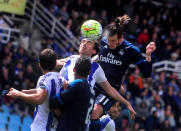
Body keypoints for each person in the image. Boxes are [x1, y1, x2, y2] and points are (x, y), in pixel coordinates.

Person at [91, 14, 156, 130]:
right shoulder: (104, 42)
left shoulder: (131, 50)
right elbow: (100, 57)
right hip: (94, 84)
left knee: (95, 112)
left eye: (113, 41)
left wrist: (148, 55)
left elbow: (146, 74)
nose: (110, 44)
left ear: (121, 38)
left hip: (110, 91)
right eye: (109, 40)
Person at [56, 38, 136, 130]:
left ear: (94, 51)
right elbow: (51, 64)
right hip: (61, 106)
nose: (84, 44)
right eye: (83, 42)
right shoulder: (71, 59)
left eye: (88, 43)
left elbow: (109, 89)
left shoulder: (96, 68)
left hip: (79, 113)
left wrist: (126, 103)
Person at [7, 48, 66, 131]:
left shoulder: (44, 79)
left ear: (39, 64)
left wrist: (19, 94)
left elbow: (39, 98)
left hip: (41, 127)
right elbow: (47, 92)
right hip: (54, 127)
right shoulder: (61, 79)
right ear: (55, 63)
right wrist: (26, 92)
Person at [50, 56, 95, 131]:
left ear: (74, 69)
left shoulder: (78, 84)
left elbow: (53, 102)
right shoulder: (92, 90)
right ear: (89, 72)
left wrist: (62, 118)